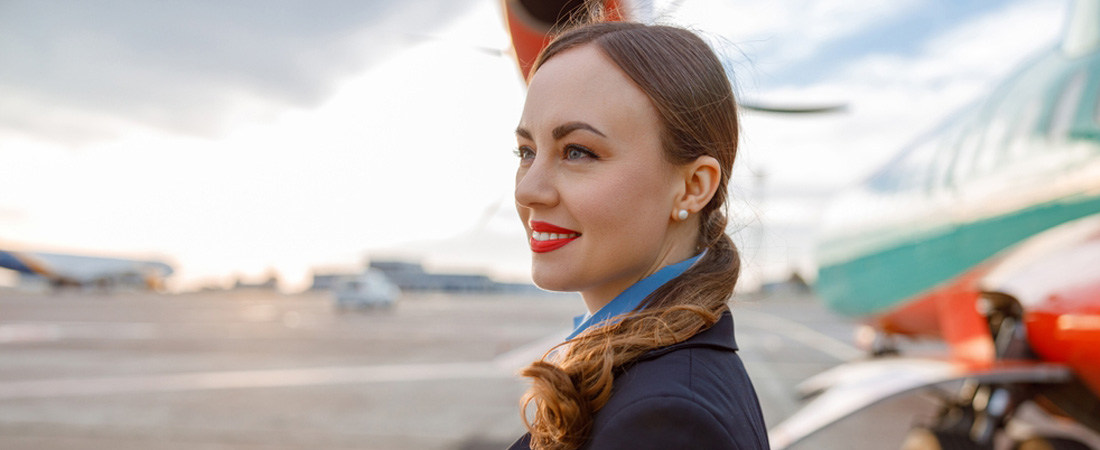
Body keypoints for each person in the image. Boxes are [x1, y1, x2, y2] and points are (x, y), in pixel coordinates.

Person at [507, 20, 770, 450]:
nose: (526, 190)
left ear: (692, 187)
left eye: (578, 151)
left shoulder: (666, 421)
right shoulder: (659, 381)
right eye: (526, 152)